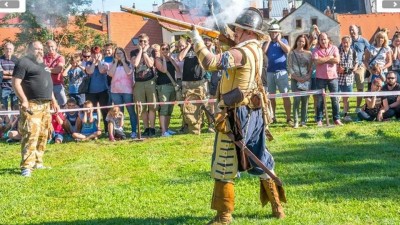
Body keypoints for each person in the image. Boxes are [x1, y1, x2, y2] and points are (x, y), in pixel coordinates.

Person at [189, 7, 285, 223]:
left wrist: (196, 39)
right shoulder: (256, 49)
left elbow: (210, 63)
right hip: (253, 111)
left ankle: (224, 216)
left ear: (248, 31)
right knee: (260, 158)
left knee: (224, 161)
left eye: (239, 30)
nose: (236, 33)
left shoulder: (241, 52)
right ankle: (277, 207)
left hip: (236, 115)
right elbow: (231, 48)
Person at [12, 40, 60, 177]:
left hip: (45, 105)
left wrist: (54, 101)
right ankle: (26, 166)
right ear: (29, 50)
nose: (39, 51)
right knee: (31, 135)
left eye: (41, 49)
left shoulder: (42, 64)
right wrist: (24, 100)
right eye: (36, 49)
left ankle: (38, 162)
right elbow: (15, 83)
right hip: (32, 105)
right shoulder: (23, 63)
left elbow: (48, 84)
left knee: (44, 134)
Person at [263, 23, 292, 124]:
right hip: (270, 72)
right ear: (269, 33)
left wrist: (279, 40)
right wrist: (269, 41)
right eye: (272, 32)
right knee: (271, 97)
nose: (274, 34)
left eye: (276, 32)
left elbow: (287, 50)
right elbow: (263, 52)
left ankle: (288, 118)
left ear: (279, 33)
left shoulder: (283, 41)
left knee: (285, 95)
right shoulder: (267, 43)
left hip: (281, 72)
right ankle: (273, 117)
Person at [130, 33, 157, 137]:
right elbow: (135, 64)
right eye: (140, 41)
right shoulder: (133, 52)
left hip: (150, 81)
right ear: (138, 42)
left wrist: (145, 52)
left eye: (145, 41)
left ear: (148, 41)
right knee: (142, 107)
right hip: (139, 83)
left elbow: (150, 64)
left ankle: (152, 128)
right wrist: (141, 51)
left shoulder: (152, 51)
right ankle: (146, 128)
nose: (142, 43)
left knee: (152, 106)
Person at [312, 33, 342, 126]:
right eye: (321, 39)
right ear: (319, 41)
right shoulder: (315, 50)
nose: (323, 41)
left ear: (328, 39)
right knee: (320, 99)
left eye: (324, 39)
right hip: (320, 77)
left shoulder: (334, 48)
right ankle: (319, 119)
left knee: (335, 99)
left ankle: (336, 119)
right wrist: (329, 57)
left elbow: (337, 60)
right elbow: (316, 61)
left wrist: (323, 59)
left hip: (333, 77)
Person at [107, 47, 137, 138]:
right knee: (119, 112)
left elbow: (129, 72)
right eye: (117, 53)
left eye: (120, 53)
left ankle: (134, 131)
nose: (119, 55)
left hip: (127, 91)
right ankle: (120, 130)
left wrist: (123, 61)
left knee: (131, 111)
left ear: (124, 54)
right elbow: (110, 74)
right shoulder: (111, 64)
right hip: (115, 91)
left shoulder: (129, 63)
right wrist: (116, 62)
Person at [154, 43, 180, 137]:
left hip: (172, 85)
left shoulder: (171, 59)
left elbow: (178, 70)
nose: (165, 51)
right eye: (163, 49)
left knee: (170, 109)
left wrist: (171, 59)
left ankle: (167, 129)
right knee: (164, 109)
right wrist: (164, 59)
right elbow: (164, 70)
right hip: (163, 86)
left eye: (167, 49)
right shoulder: (158, 60)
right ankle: (163, 131)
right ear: (160, 50)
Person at [287, 34, 312, 128]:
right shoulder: (291, 53)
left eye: (302, 41)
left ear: (305, 43)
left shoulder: (309, 54)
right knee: (296, 100)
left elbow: (310, 67)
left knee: (305, 100)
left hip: (306, 80)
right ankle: (296, 121)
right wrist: (297, 78)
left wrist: (306, 77)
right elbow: (289, 67)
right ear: (296, 41)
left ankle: (303, 121)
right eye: (299, 41)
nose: (300, 43)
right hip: (295, 80)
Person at [85, 46, 110, 133]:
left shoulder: (105, 63)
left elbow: (102, 70)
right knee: (93, 111)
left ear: (101, 54)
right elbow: (90, 71)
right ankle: (94, 129)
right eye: (94, 54)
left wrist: (98, 61)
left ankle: (107, 129)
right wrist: (93, 62)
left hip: (103, 90)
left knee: (105, 110)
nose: (95, 55)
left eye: (97, 54)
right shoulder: (88, 63)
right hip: (91, 92)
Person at [349, 25, 370, 112]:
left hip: (360, 67)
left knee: (360, 87)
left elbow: (370, 51)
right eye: (350, 30)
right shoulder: (347, 40)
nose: (352, 31)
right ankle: (344, 107)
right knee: (344, 87)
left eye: (353, 30)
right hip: (348, 67)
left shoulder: (363, 41)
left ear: (357, 30)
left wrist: (365, 63)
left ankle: (358, 107)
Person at [337, 36, 358, 122]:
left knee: (347, 97)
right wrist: (340, 69)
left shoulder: (353, 52)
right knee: (337, 97)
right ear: (341, 43)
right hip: (339, 78)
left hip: (349, 78)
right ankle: (337, 115)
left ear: (350, 43)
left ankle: (346, 114)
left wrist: (354, 69)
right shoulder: (338, 51)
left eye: (347, 42)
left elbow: (356, 62)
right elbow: (336, 64)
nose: (345, 44)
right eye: (344, 42)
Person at [43, 40, 67, 107]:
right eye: (48, 47)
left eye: (52, 46)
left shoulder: (60, 58)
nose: (50, 48)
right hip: (46, 85)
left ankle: (62, 116)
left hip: (57, 85)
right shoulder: (43, 58)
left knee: (63, 102)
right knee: (48, 105)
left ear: (56, 47)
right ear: (46, 48)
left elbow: (59, 69)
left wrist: (48, 69)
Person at [0, 42, 18, 110]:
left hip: (15, 88)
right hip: (4, 87)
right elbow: (1, 75)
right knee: (3, 107)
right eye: (7, 49)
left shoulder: (17, 60)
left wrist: (5, 73)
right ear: (4, 49)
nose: (8, 50)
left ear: (13, 50)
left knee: (15, 107)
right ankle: (5, 121)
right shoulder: (0, 60)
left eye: (10, 49)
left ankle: (14, 121)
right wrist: (12, 73)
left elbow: (19, 74)